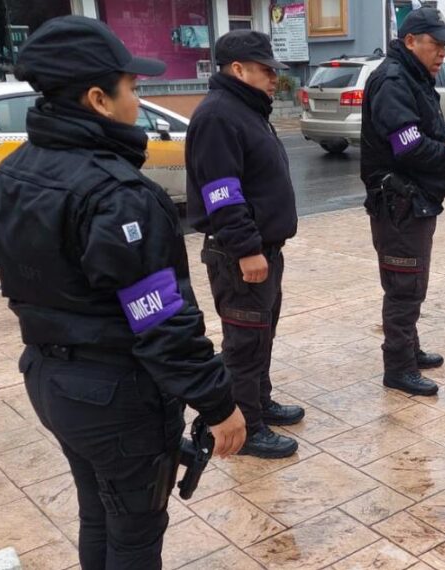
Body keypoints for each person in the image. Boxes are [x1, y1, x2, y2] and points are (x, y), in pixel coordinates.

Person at [0, 16, 246, 569]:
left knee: (97, 512)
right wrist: (219, 403)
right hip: (115, 397)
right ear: (99, 99)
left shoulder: (15, 171)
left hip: (51, 379)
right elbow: (160, 321)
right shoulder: (119, 194)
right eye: (132, 87)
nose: (139, 96)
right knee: (135, 530)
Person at [185, 30, 303, 459]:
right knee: (244, 340)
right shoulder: (219, 115)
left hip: (264, 249)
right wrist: (247, 249)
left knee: (262, 332)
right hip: (239, 255)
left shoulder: (247, 109)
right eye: (266, 70)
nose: (275, 78)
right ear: (238, 69)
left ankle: (260, 402)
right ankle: (248, 427)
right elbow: (222, 193)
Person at [360, 7, 445, 397]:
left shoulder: (416, 77)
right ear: (411, 41)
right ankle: (398, 367)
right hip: (398, 203)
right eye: (436, 45)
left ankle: (408, 348)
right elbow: (406, 144)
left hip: (416, 201)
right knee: (403, 286)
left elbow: (429, 128)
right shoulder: (393, 79)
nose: (442, 54)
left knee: (413, 282)